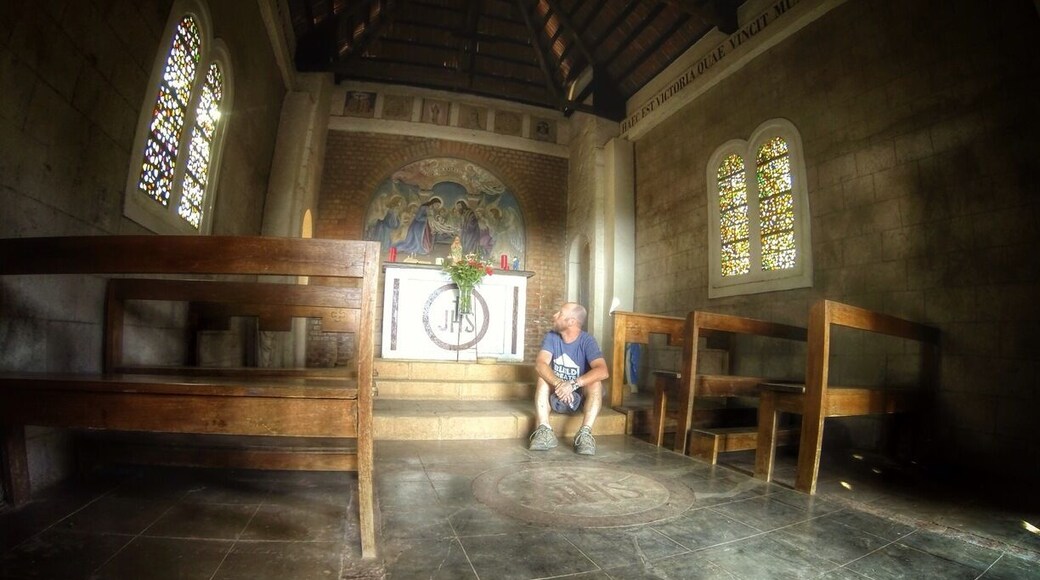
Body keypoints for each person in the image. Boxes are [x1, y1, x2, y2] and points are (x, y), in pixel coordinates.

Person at [529, 303, 609, 455]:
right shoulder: (551, 337)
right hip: (557, 394)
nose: (554, 316)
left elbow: (603, 370)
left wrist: (572, 384)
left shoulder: (587, 341)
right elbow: (540, 364)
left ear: (571, 321)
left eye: (560, 314)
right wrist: (560, 383)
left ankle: (585, 433)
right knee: (542, 378)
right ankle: (544, 430)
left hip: (579, 396)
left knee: (596, 383)